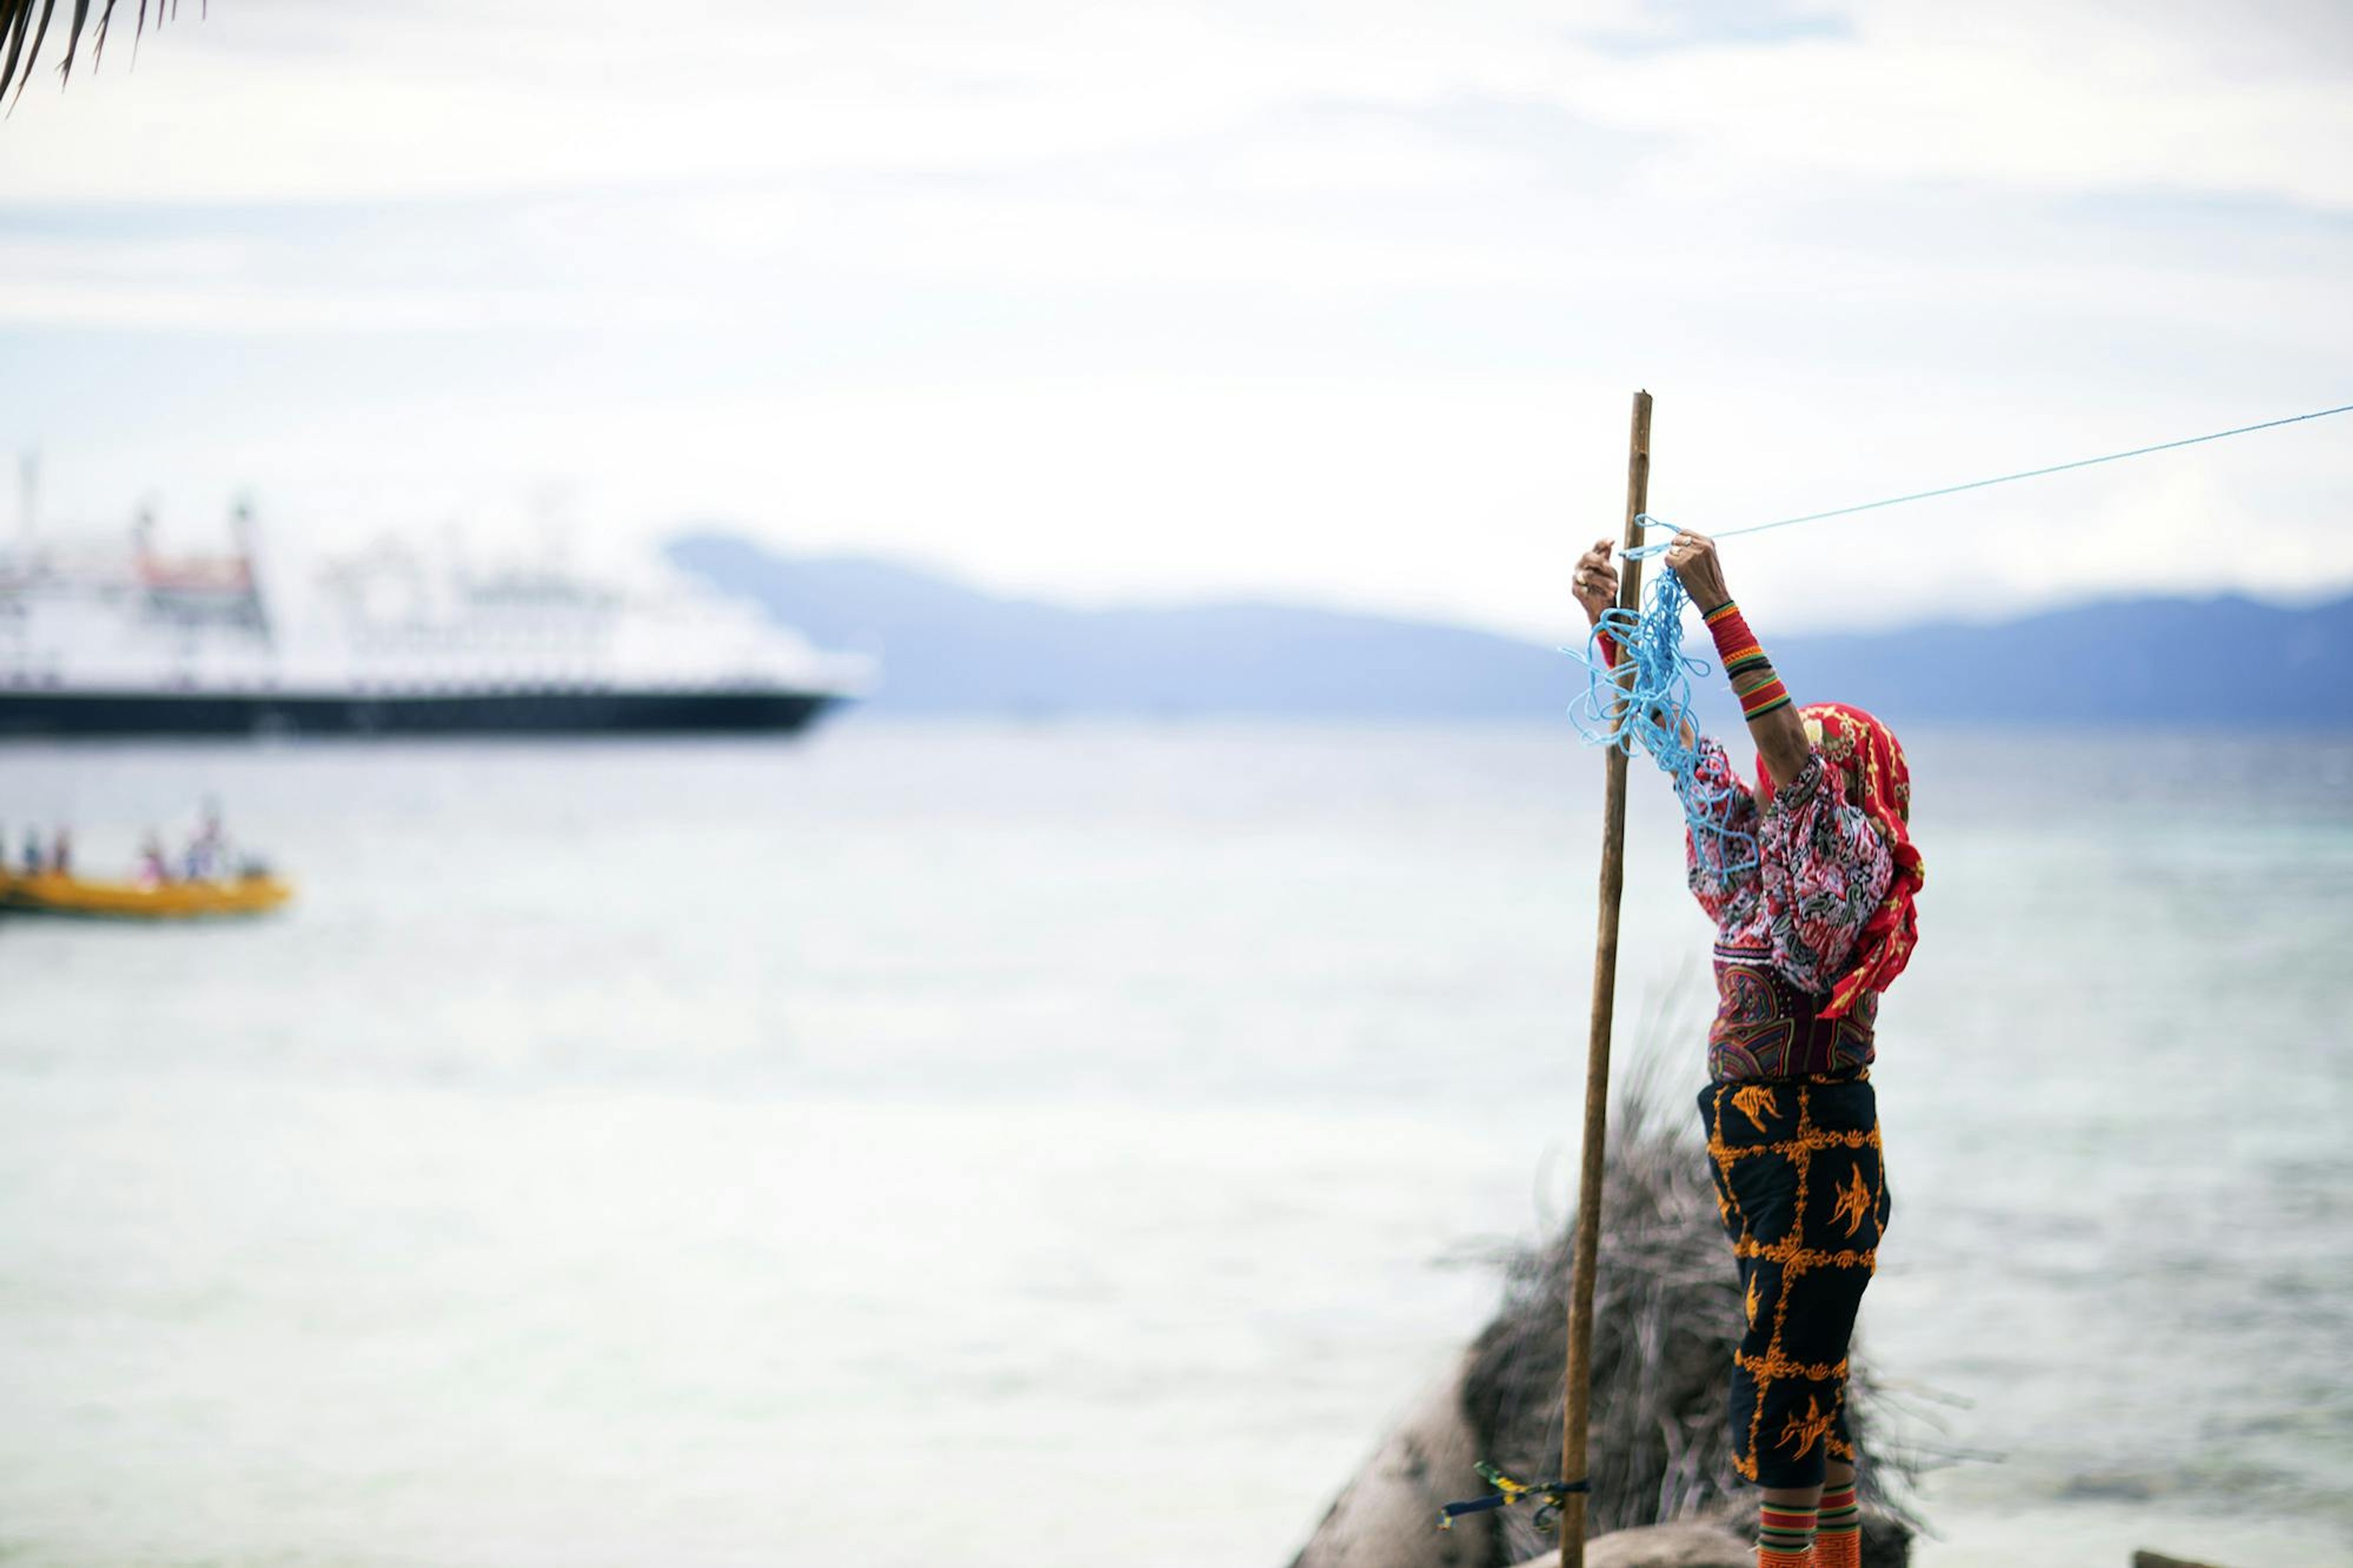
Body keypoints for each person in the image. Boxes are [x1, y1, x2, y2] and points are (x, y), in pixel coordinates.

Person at [1574, 530, 1925, 1568]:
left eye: (1810, 760)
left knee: (1782, 1384)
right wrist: (1608, 623)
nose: (1783, 772)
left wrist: (1718, 606)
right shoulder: (1753, 857)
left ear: (1845, 781)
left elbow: (1783, 756)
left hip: (1817, 1147)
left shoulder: (1846, 868)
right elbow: (1682, 746)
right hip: (1751, 1141)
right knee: (1812, 1382)